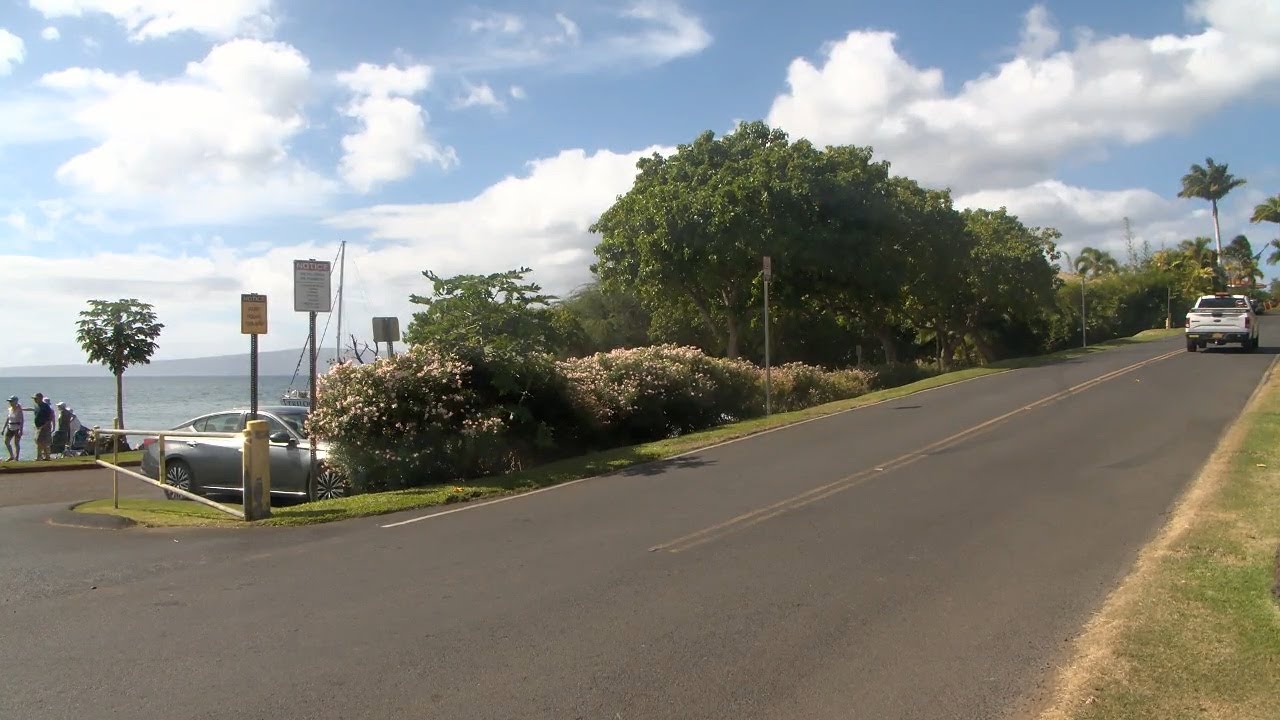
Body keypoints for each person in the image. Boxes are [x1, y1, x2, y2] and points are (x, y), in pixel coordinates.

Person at [32, 392, 53, 461]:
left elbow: (50, 417)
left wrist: (44, 425)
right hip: (38, 426)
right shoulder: (37, 406)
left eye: (36, 398)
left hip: (44, 426)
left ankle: (40, 457)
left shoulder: (45, 406)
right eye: (34, 398)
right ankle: (46, 456)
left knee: (40, 441)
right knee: (40, 441)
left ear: (40, 398)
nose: (34, 400)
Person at [4, 395, 22, 461]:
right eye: (10, 401)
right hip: (10, 427)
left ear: (15, 402)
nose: (10, 403)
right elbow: (8, 418)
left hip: (17, 428)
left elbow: (21, 420)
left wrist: (21, 430)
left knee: (16, 443)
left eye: (11, 401)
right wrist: (4, 428)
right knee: (6, 442)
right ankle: (11, 456)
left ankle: (17, 458)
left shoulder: (19, 410)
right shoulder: (10, 409)